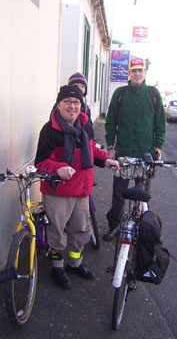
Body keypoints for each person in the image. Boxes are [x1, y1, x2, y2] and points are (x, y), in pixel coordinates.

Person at [34, 85, 119, 290]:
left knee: (80, 230)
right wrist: (59, 167)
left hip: (82, 190)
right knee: (56, 232)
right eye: (68, 102)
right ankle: (57, 267)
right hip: (58, 191)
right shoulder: (49, 130)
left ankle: (74, 263)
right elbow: (40, 163)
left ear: (81, 106)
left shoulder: (84, 126)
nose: (72, 106)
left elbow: (91, 150)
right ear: (59, 104)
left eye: (76, 102)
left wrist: (106, 161)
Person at [103, 57, 166, 241]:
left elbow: (160, 123)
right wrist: (111, 147)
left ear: (145, 73)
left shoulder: (153, 94)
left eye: (140, 70)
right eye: (134, 70)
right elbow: (111, 122)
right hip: (122, 155)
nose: (137, 73)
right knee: (118, 195)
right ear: (129, 73)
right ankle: (114, 226)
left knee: (142, 195)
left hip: (145, 155)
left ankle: (139, 227)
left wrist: (158, 146)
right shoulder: (120, 94)